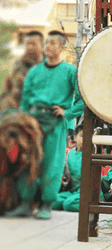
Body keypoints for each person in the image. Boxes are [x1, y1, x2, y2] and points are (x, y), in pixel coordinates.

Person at [5, 30, 84, 219]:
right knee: (28, 162)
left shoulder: (70, 71)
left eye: (53, 43)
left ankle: (46, 205)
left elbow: (82, 100)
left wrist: (68, 113)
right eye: (46, 43)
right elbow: (25, 100)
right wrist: (23, 122)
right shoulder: (35, 71)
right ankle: (25, 204)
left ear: (62, 48)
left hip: (56, 122)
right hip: (33, 122)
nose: (48, 46)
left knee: (52, 165)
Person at [0, 31, 44, 111]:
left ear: (42, 46)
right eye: (27, 44)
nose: (30, 47)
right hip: (16, 109)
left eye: (33, 44)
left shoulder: (49, 66)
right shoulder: (18, 64)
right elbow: (8, 87)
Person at [53, 124, 84, 212]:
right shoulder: (71, 154)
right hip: (73, 191)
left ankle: (89, 206)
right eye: (82, 136)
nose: (86, 139)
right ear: (74, 138)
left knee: (68, 204)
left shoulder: (92, 153)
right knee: (53, 201)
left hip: (86, 192)